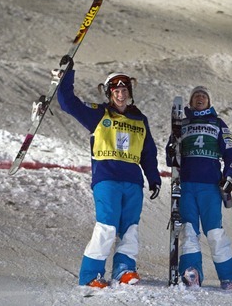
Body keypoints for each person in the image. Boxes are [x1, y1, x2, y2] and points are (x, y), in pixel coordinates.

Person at [57, 55, 162, 288]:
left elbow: (148, 152)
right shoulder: (99, 113)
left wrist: (153, 178)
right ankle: (90, 275)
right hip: (107, 179)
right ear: (109, 93)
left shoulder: (139, 119)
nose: (121, 94)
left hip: (133, 181)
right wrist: (67, 74)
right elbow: (67, 103)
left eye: (124, 89)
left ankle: (124, 270)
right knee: (107, 226)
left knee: (130, 228)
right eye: (116, 90)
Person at [166, 86, 232, 290]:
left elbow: (231, 153)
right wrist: (172, 146)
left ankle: (229, 275)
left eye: (204, 96)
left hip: (210, 186)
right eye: (196, 96)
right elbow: (170, 157)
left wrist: (230, 176)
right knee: (189, 230)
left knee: (214, 231)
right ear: (190, 102)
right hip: (187, 185)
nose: (200, 98)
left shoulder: (218, 123)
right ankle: (192, 272)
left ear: (209, 102)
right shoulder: (181, 124)